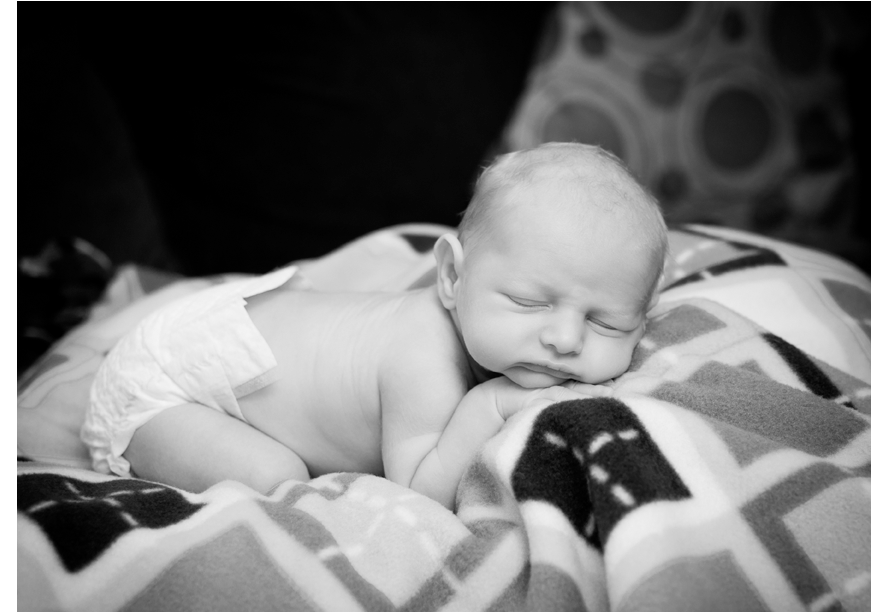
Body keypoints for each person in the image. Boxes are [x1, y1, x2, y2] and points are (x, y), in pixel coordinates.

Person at [81, 142, 667, 509]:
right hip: (165, 386)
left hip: (235, 335)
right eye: (528, 301)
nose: (566, 339)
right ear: (451, 277)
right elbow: (417, 492)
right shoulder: (422, 358)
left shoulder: (494, 329)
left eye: (607, 323)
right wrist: (487, 406)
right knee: (276, 477)